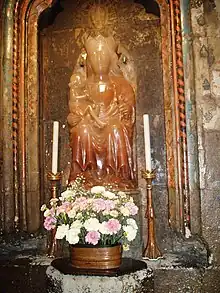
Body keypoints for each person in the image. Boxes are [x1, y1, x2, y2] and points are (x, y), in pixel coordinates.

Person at [67, 4, 136, 189]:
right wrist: (78, 116)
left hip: (111, 120)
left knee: (116, 130)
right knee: (82, 131)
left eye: (103, 56)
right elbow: (76, 106)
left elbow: (128, 104)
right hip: (90, 122)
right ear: (87, 60)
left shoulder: (119, 83)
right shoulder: (81, 83)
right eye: (94, 56)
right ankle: (84, 177)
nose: (99, 60)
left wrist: (126, 109)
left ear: (111, 59)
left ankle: (117, 175)